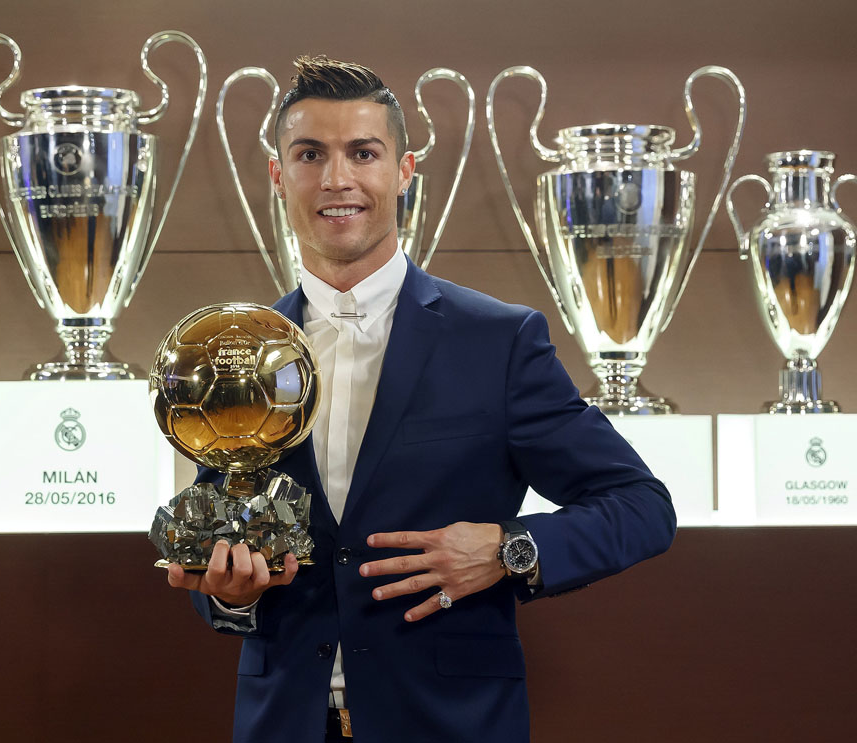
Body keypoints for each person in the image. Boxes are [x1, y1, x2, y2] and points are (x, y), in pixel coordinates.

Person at [165, 55, 676, 742]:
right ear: (279, 175)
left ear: (403, 173)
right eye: (310, 154)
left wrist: (507, 548)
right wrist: (231, 595)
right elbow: (224, 546)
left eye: (363, 153)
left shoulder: (498, 341)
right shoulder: (237, 352)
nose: (336, 178)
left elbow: (642, 506)